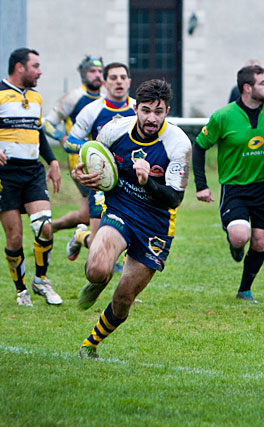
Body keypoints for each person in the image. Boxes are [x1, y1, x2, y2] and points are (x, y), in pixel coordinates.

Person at [71, 79, 191, 359]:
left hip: (156, 223)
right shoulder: (114, 130)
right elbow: (94, 162)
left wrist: (148, 181)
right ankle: (90, 258)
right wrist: (80, 174)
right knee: (97, 270)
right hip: (120, 208)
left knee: (124, 299)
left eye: (158, 112)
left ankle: (90, 345)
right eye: (146, 110)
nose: (151, 118)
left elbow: (174, 199)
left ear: (167, 111)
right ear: (136, 108)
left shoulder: (179, 144)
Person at [193, 65, 264, 303]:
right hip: (236, 188)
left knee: (260, 240)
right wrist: (201, 185)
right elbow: (200, 146)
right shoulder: (223, 116)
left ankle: (245, 289)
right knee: (239, 236)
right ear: (247, 88)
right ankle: (235, 243)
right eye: (263, 83)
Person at [0, 48, 62, 306]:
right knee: (14, 237)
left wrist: (53, 161)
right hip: (3, 174)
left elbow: (39, 133)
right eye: (35, 65)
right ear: (19, 67)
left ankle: (41, 281)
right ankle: (21, 290)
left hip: (32, 171)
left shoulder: (35, 97)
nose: (40, 71)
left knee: (45, 226)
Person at [63, 62, 136, 263]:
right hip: (101, 181)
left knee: (130, 237)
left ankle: (126, 291)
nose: (118, 81)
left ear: (129, 81)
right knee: (97, 244)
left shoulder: (138, 109)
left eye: (122, 77)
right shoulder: (92, 110)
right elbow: (70, 142)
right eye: (113, 78)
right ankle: (80, 236)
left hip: (131, 182)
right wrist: (94, 149)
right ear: (104, 82)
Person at [42, 56, 104, 232]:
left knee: (86, 215)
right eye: (93, 71)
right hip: (79, 162)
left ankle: (50, 228)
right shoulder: (73, 97)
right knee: (98, 213)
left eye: (100, 71)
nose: (97, 75)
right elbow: (48, 123)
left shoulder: (106, 99)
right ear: (84, 74)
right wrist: (62, 137)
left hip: (103, 161)